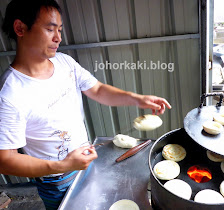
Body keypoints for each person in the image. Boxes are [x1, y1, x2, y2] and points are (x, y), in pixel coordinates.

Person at [0, 0, 171, 209]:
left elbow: (98, 90)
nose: (58, 38)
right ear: (20, 28)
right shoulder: (10, 93)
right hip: (57, 180)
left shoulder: (65, 63)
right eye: (50, 29)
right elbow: (6, 159)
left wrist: (137, 98)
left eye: (60, 30)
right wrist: (62, 165)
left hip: (86, 160)